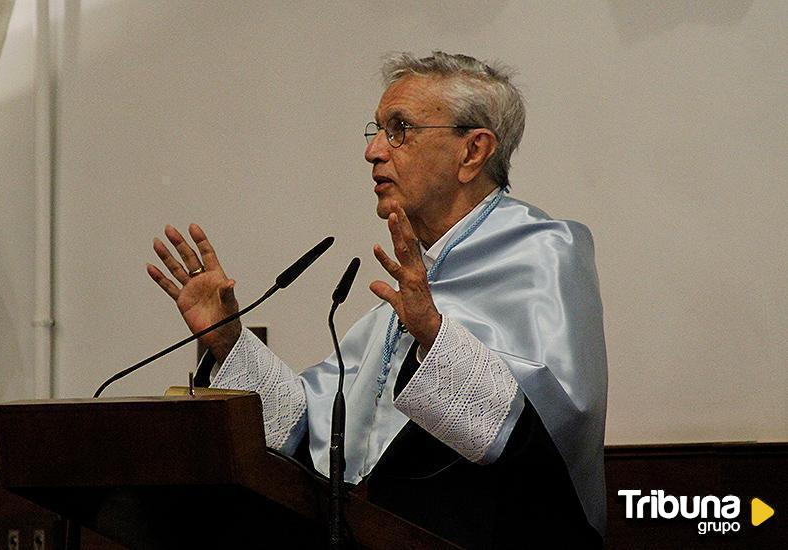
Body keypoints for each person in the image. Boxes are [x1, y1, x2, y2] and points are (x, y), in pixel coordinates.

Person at [147, 51, 607, 548]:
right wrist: (228, 340)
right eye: (378, 130)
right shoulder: (408, 288)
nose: (374, 152)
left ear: (473, 151)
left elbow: (558, 423)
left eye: (400, 129)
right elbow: (314, 424)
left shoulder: (546, 249)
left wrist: (433, 336)